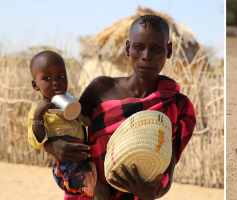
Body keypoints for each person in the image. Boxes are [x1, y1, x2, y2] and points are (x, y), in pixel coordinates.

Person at [43, 15, 196, 200]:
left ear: (169, 50)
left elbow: (167, 173)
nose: (147, 57)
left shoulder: (178, 105)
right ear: (127, 48)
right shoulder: (101, 88)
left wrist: (151, 194)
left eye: (157, 48)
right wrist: (50, 145)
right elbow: (69, 130)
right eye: (139, 47)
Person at [28, 50, 109, 199]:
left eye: (61, 76)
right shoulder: (38, 111)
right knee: (101, 192)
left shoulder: (72, 103)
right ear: (35, 85)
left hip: (85, 160)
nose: (55, 82)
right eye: (46, 78)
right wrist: (38, 115)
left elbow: (87, 121)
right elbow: (37, 141)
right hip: (65, 167)